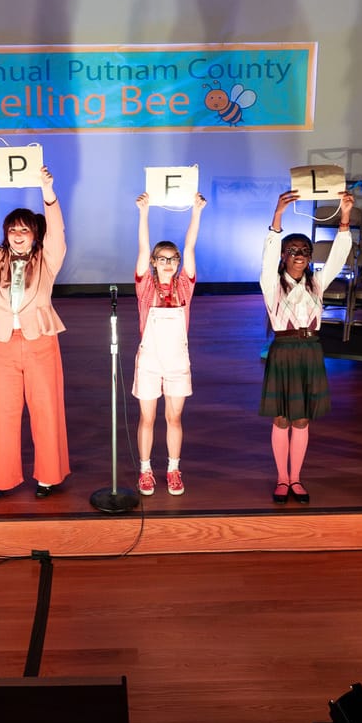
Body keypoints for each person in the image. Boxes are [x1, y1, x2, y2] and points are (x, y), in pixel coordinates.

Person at [0, 166, 69, 498]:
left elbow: (57, 232)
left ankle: (49, 476)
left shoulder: (47, 259)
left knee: (46, 408)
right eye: (12, 229)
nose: (17, 234)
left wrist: (47, 191)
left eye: (24, 229)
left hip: (40, 340)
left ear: (34, 235)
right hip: (0, 344)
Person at [259, 188, 355, 504]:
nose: (299, 254)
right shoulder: (271, 284)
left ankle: (296, 478)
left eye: (304, 250)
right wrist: (278, 216)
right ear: (283, 256)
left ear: (311, 257)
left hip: (311, 350)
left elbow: (339, 255)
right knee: (281, 418)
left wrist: (344, 217)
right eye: (292, 250)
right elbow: (268, 256)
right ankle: (281, 479)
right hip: (283, 351)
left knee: (302, 419)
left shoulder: (317, 283)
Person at [132, 189, 207, 495]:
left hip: (177, 361)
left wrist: (196, 212)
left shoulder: (185, 286)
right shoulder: (145, 286)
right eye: (162, 259)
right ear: (153, 261)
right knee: (147, 417)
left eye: (172, 259)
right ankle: (145, 470)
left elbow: (190, 246)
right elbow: (142, 246)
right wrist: (144, 212)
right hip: (149, 361)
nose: (168, 263)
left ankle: (174, 469)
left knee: (174, 417)